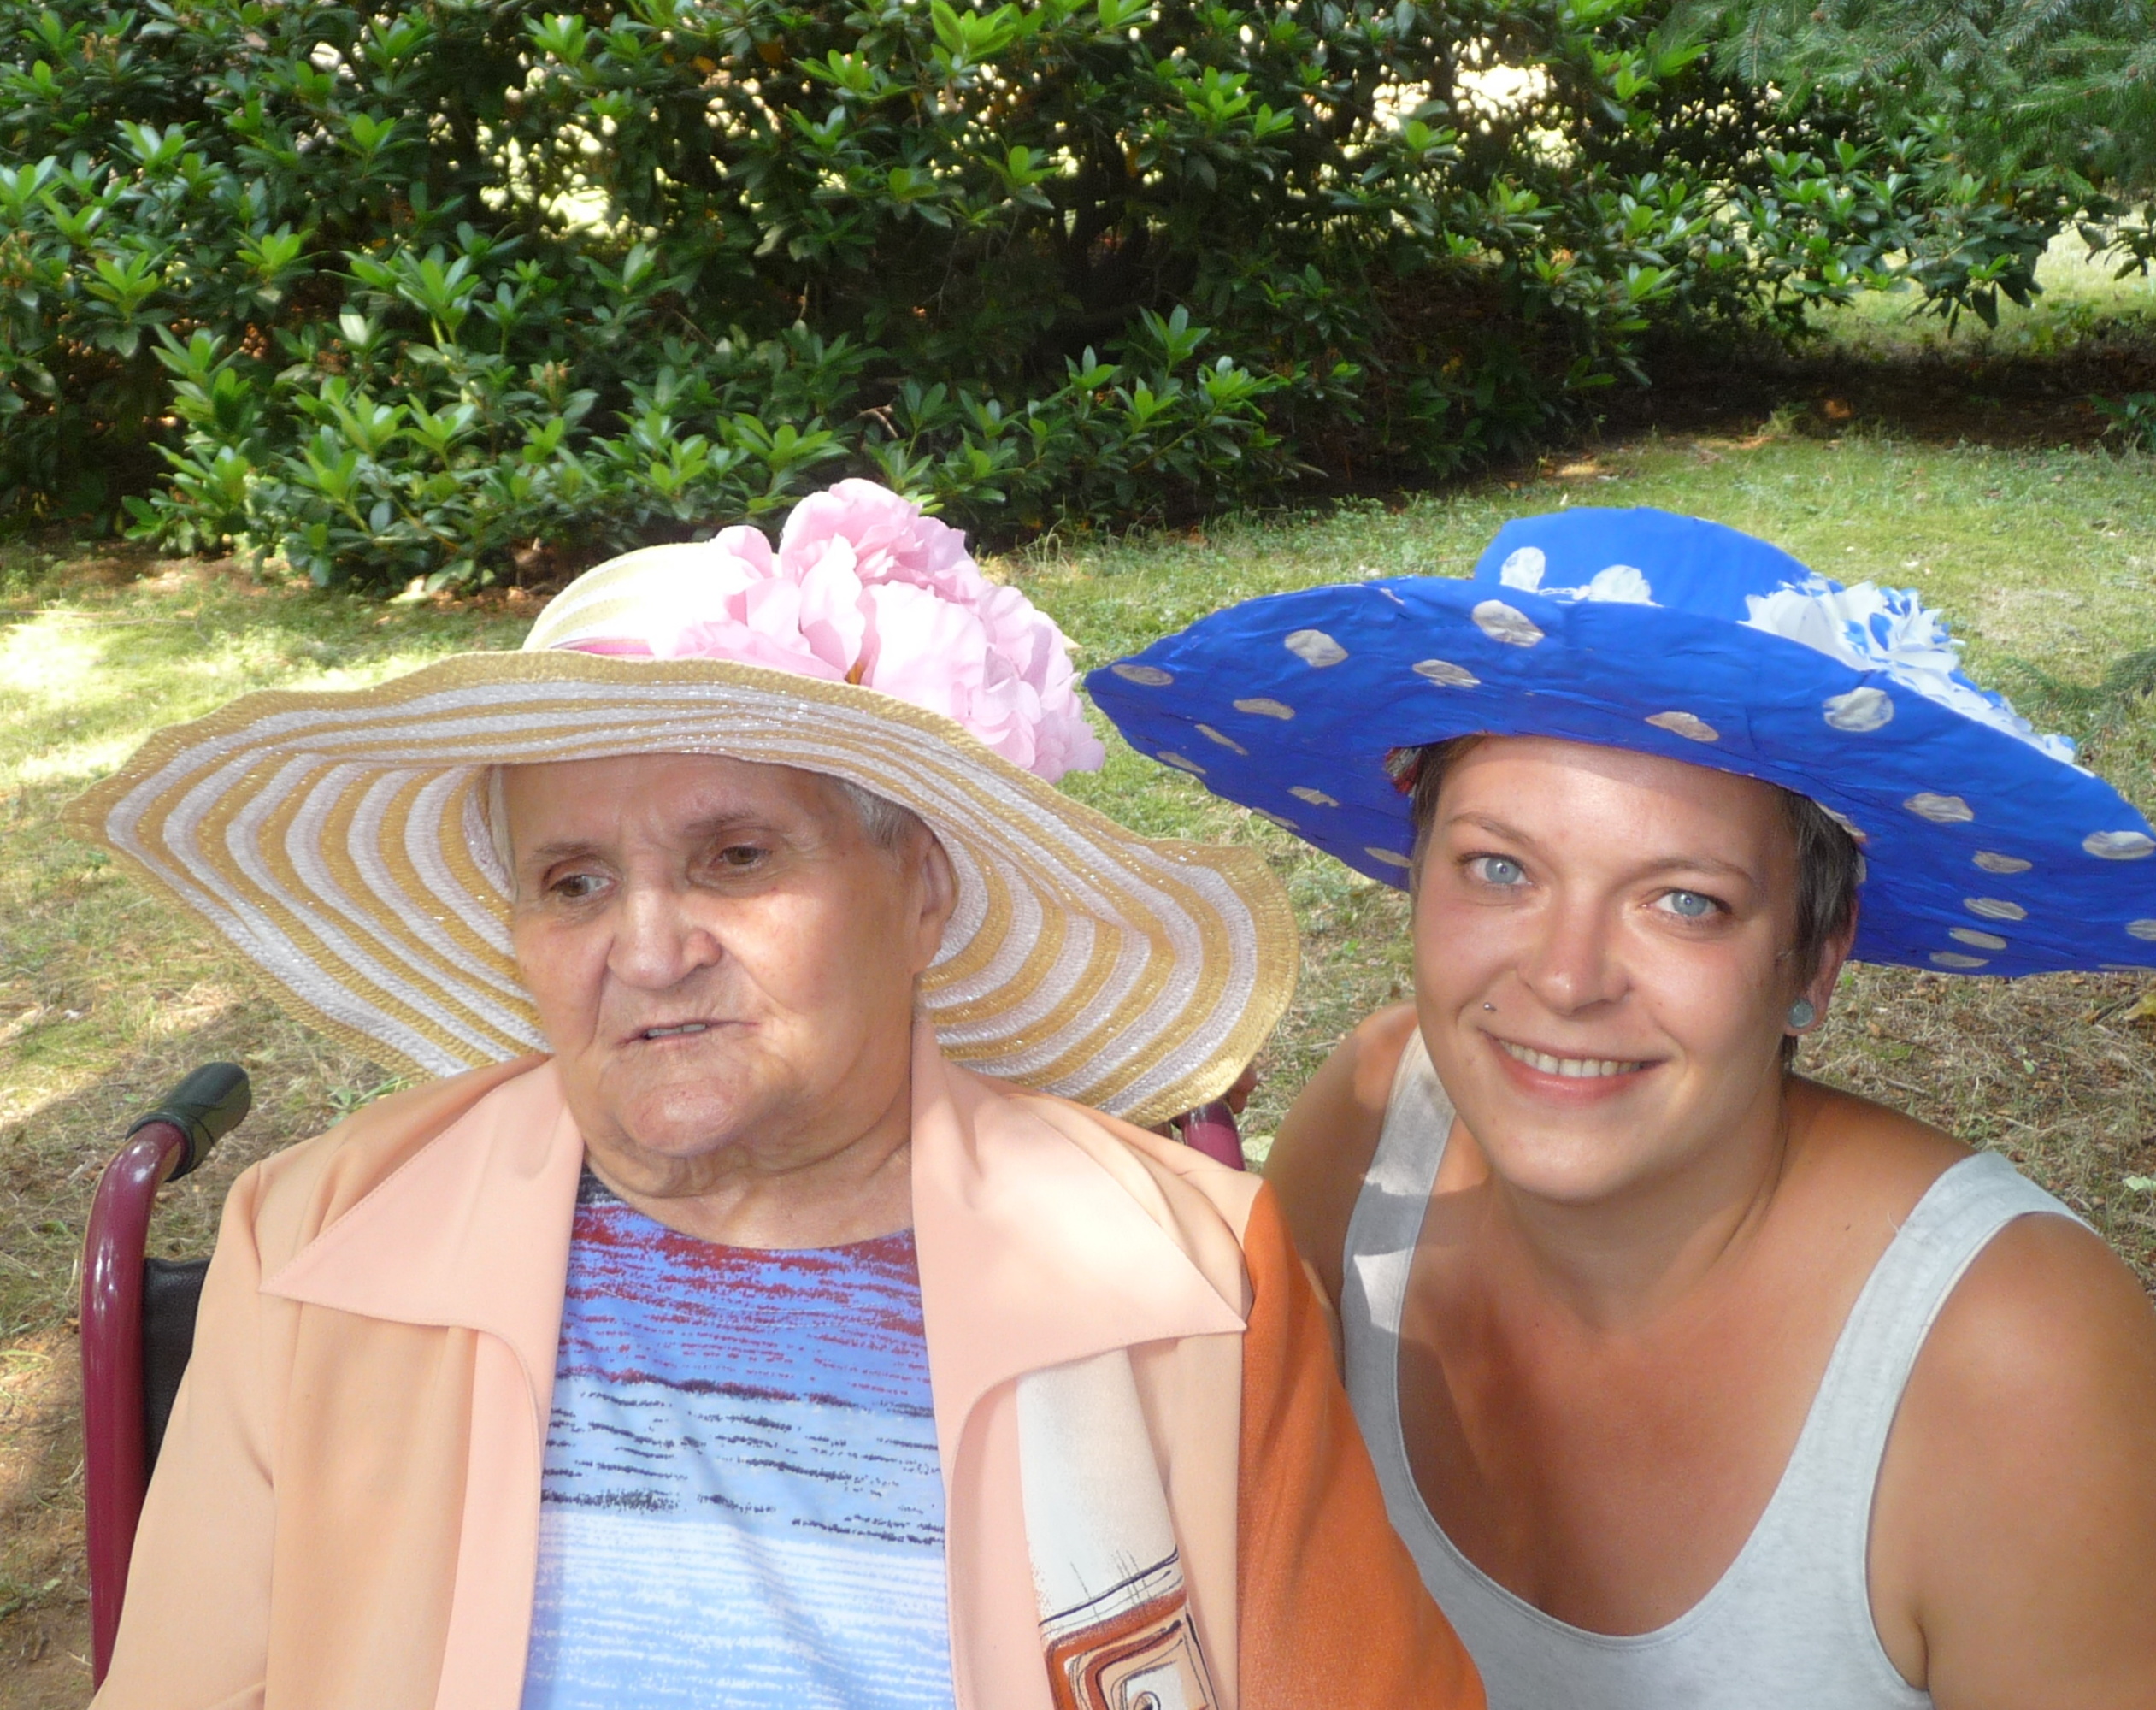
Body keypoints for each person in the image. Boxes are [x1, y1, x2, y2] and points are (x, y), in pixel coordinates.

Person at [73, 481, 1483, 1710]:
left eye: (736, 858)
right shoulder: (317, 1242)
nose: (648, 950)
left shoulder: (1190, 1280)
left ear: (921, 892)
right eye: (573, 881)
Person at [1089, 506, 2156, 1708]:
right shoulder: (1373, 1128)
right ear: (1415, 878)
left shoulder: (2014, 1361)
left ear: (1814, 957)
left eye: (1685, 901)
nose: (1567, 979)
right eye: (1499, 868)